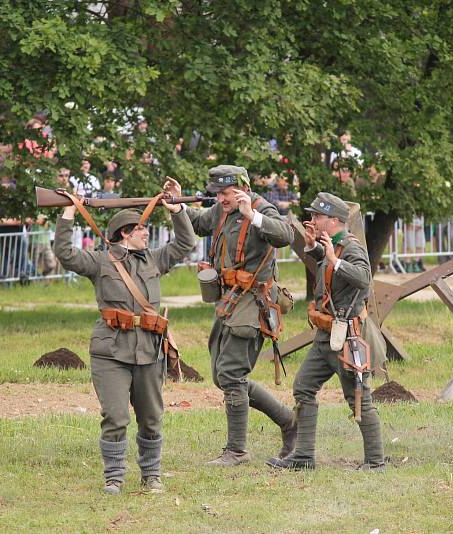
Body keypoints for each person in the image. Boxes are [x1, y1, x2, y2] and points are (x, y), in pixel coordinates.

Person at [53, 177, 195, 495]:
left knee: (151, 417)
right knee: (115, 416)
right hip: (111, 351)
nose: (147, 233)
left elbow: (185, 244)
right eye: (142, 229)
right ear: (126, 234)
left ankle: (151, 476)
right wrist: (67, 215)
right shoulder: (100, 261)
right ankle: (114, 477)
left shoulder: (155, 260)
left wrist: (177, 211)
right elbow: (64, 252)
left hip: (149, 348)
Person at [185, 165, 297, 467]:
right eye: (217, 193)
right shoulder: (221, 210)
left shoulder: (261, 208)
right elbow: (200, 224)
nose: (220, 199)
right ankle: (289, 421)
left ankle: (237, 451)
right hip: (230, 299)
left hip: (254, 301)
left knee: (231, 374)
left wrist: (253, 216)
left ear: (242, 189)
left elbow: (286, 234)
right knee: (224, 376)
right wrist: (176, 208)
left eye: (225, 193)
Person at [267, 193, 385, 471]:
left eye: (318, 216)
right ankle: (304, 457)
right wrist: (316, 249)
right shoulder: (332, 245)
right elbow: (332, 274)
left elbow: (364, 279)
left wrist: (333, 259)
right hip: (326, 335)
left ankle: (376, 461)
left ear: (334, 220)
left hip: (346, 337)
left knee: (358, 397)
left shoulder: (351, 248)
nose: (313, 220)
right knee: (303, 387)